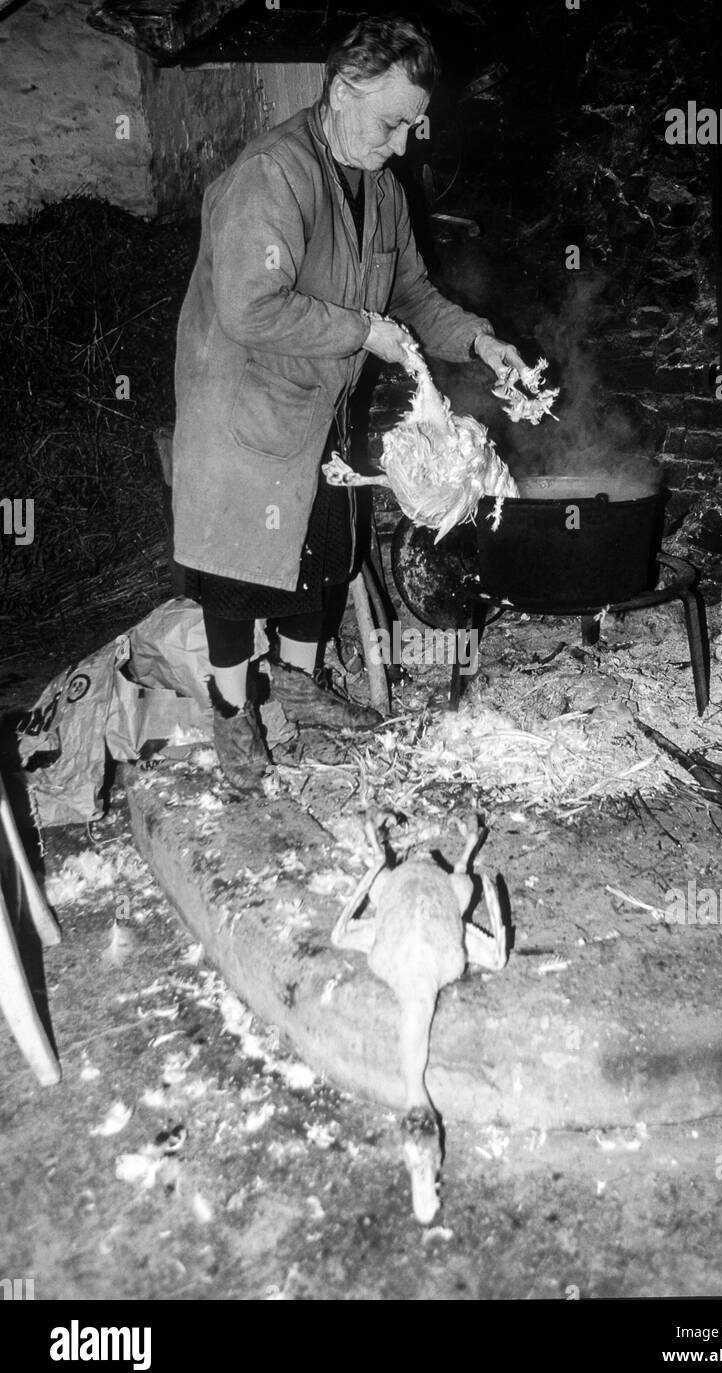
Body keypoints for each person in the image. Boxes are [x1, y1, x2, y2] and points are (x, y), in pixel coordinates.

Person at [172, 13, 529, 794]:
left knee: (319, 563)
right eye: (391, 122)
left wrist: (476, 341)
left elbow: (410, 294)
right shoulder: (273, 173)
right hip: (247, 408)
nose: (401, 144)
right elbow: (247, 307)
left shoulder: (382, 189)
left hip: (319, 406)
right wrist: (361, 331)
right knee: (239, 576)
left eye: (412, 126)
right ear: (341, 90)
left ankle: (294, 699)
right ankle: (235, 725)